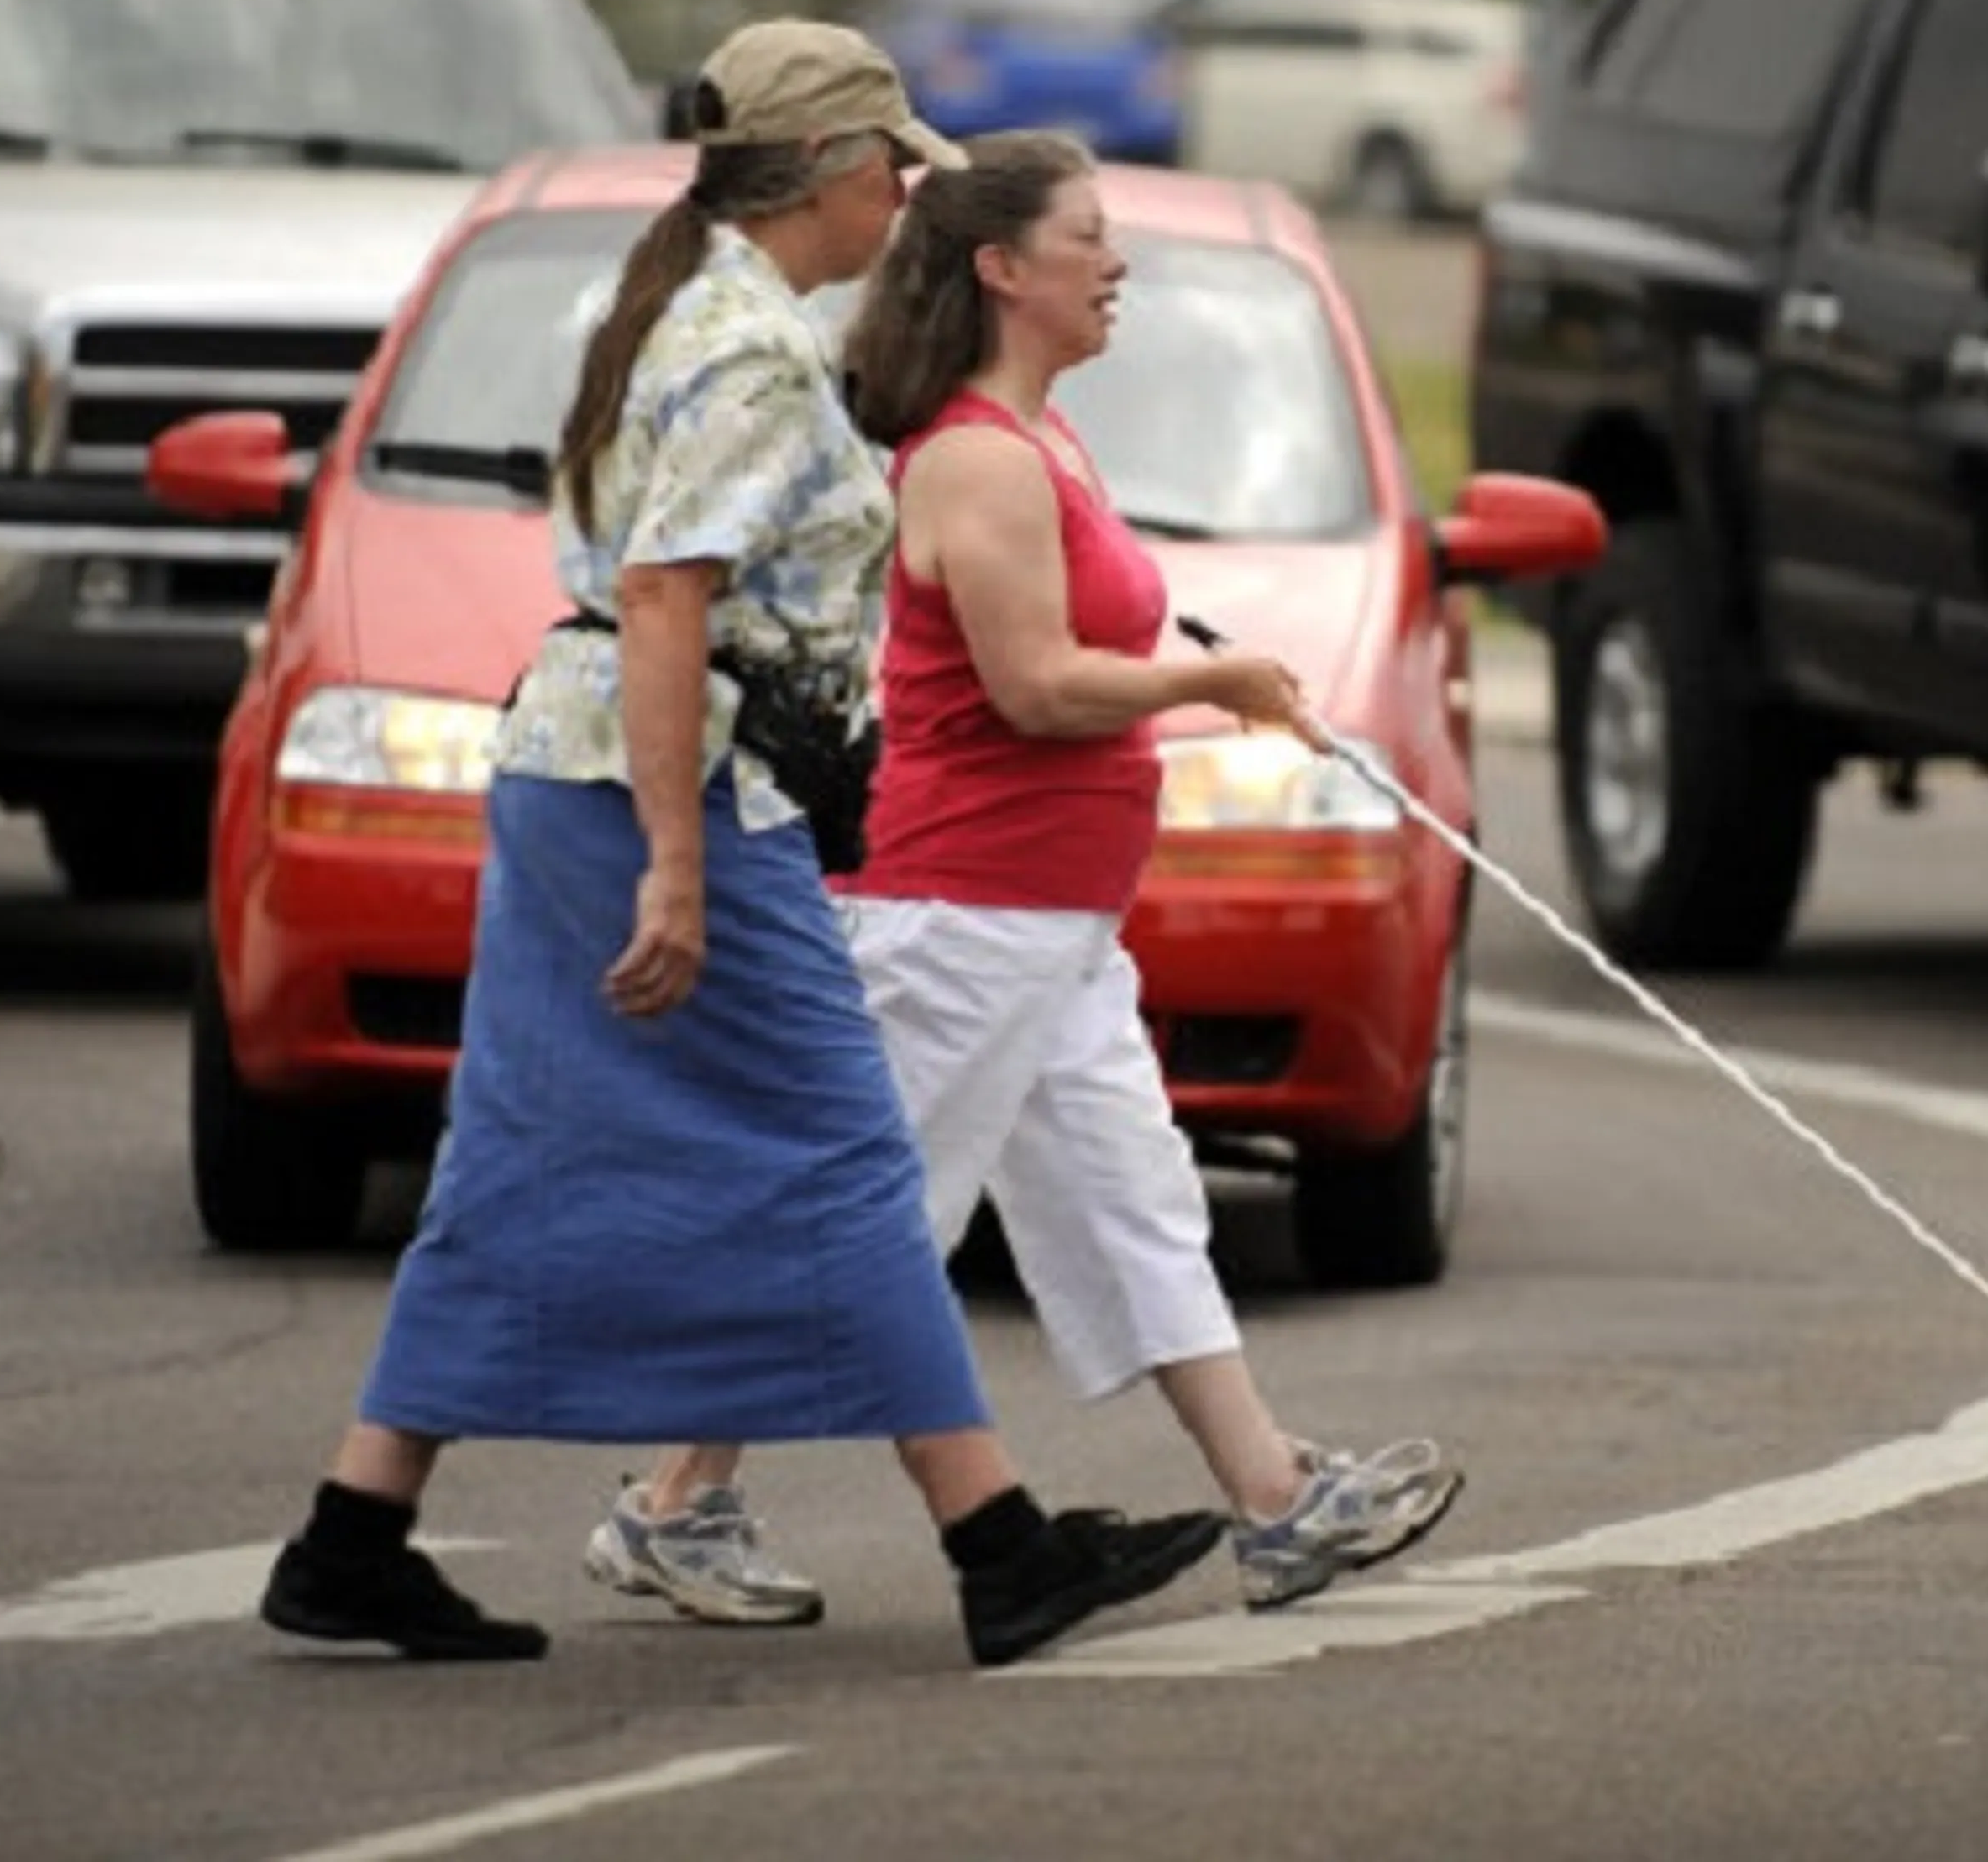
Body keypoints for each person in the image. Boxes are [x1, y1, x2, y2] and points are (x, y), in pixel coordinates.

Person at [258, 29, 1225, 1671]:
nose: (909, 192)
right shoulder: (742, 348)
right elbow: (664, 596)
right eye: (895, 164)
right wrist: (678, 867)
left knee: (513, 1156)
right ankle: (998, 1545)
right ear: (840, 172)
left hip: (601, 778)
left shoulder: (686, 304)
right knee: (847, 1155)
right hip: (672, 791)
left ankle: (354, 1533)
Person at [581, 129, 1463, 1634]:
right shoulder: (979, 458)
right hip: (956, 912)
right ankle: (675, 1503)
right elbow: (1037, 688)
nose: (1117, 264)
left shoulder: (1043, 440)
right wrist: (1215, 680)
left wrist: (1204, 674)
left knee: (1134, 1205)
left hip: (1048, 924)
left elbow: (1076, 658)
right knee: (863, 1218)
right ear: (1003, 269)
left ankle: (1273, 1504)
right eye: (1090, 237)